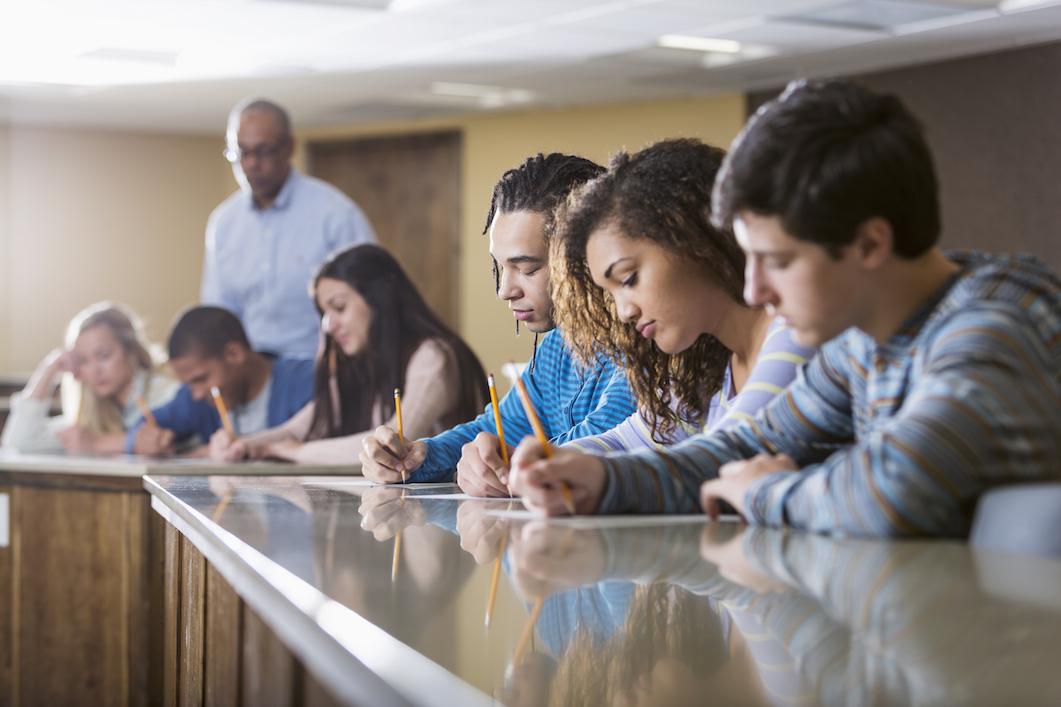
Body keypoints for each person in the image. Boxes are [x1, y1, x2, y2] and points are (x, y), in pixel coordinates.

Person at [510, 80, 1061, 538]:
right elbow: (742, 448)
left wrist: (764, 492)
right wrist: (599, 481)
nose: (755, 292)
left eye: (777, 260)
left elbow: (891, 491)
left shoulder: (992, 328)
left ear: (869, 244)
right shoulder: (861, 343)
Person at [358, 153, 637, 485]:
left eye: (528, 268)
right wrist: (415, 457)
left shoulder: (646, 340)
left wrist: (501, 460)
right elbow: (494, 430)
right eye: (499, 267)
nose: (505, 290)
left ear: (587, 255)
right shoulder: (556, 350)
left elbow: (605, 441)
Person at [208, 244, 489, 464]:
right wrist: (244, 444)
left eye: (339, 307)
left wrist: (295, 453)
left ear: (380, 300)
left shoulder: (433, 356)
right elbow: (297, 430)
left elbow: (395, 443)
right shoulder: (358, 364)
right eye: (324, 313)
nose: (328, 325)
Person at [201, 98, 376, 359]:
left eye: (263, 151)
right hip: (253, 371)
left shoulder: (335, 213)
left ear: (288, 148)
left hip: (321, 363)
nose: (251, 163)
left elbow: (369, 301)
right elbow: (218, 311)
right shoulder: (225, 222)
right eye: (240, 152)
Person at [127, 306, 314, 456]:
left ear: (234, 353)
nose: (197, 393)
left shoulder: (307, 382)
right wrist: (145, 439)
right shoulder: (195, 398)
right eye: (189, 383)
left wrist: (205, 453)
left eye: (201, 379)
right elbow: (147, 424)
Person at [1, 302, 179, 454]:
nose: (94, 371)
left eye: (104, 355)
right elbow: (19, 442)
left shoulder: (169, 393)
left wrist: (98, 444)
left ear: (130, 350)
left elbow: (168, 443)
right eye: (83, 361)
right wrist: (49, 369)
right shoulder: (92, 414)